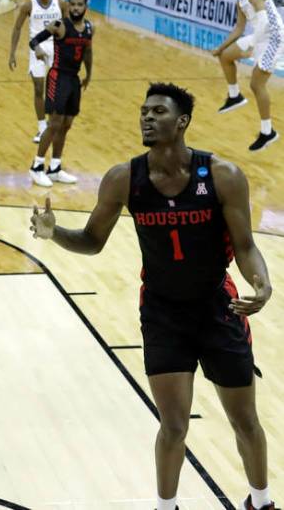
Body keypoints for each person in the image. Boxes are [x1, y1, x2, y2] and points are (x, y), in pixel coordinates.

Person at [30, 83, 275, 510]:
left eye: (157, 111)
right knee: (174, 425)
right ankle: (167, 507)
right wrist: (54, 234)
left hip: (219, 306)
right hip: (162, 314)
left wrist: (263, 284)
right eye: (143, 111)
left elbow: (246, 245)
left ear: (181, 122)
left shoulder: (222, 176)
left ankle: (261, 502)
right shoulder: (124, 179)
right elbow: (91, 240)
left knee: (245, 421)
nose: (146, 117)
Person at [28, 0, 94, 187]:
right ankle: (37, 166)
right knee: (54, 123)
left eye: (79, 5)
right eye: (72, 4)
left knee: (66, 125)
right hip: (58, 76)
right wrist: (38, 49)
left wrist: (89, 74)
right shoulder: (59, 25)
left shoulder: (90, 28)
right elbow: (34, 40)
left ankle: (55, 167)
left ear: (85, 6)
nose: (75, 8)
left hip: (74, 79)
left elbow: (88, 52)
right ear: (68, 5)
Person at [212, 0, 281, 151]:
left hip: (274, 38)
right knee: (226, 56)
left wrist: (251, 46)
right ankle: (234, 96)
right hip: (259, 37)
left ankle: (268, 132)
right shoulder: (240, 0)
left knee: (257, 84)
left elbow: (265, 22)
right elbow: (239, 29)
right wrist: (221, 47)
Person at [8, 0, 68, 143]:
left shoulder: (61, 3)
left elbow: (68, 27)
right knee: (38, 88)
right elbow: (17, 28)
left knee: (58, 89)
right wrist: (12, 53)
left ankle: (54, 124)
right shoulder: (28, 6)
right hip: (37, 47)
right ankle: (42, 128)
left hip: (57, 46)